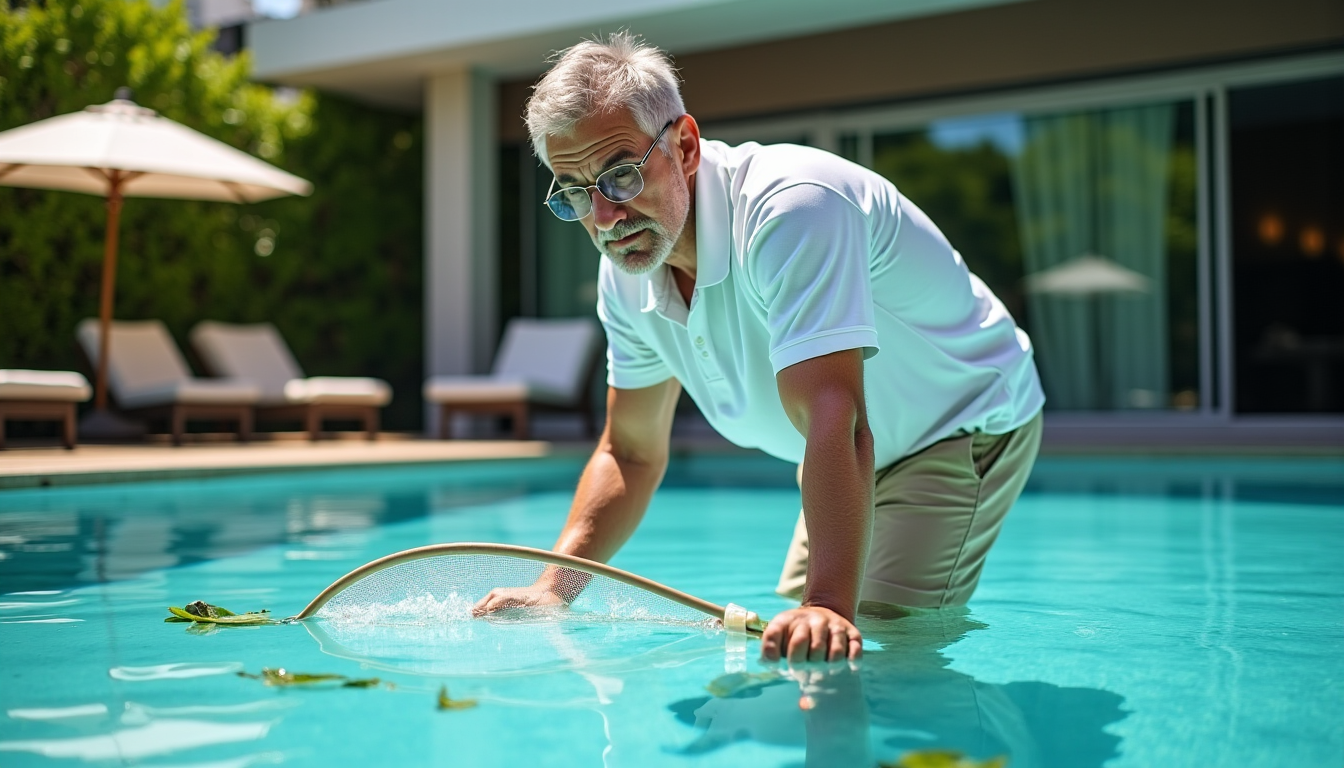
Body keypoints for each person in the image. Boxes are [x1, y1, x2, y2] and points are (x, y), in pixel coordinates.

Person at [473, 31, 1045, 664]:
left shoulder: (792, 209)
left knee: (882, 641)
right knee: (794, 644)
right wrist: (554, 589)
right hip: (840, 444)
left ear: (685, 145)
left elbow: (838, 416)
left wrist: (828, 606)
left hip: (956, 423)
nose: (604, 217)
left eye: (620, 175)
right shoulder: (627, 274)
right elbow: (631, 452)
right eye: (575, 192)